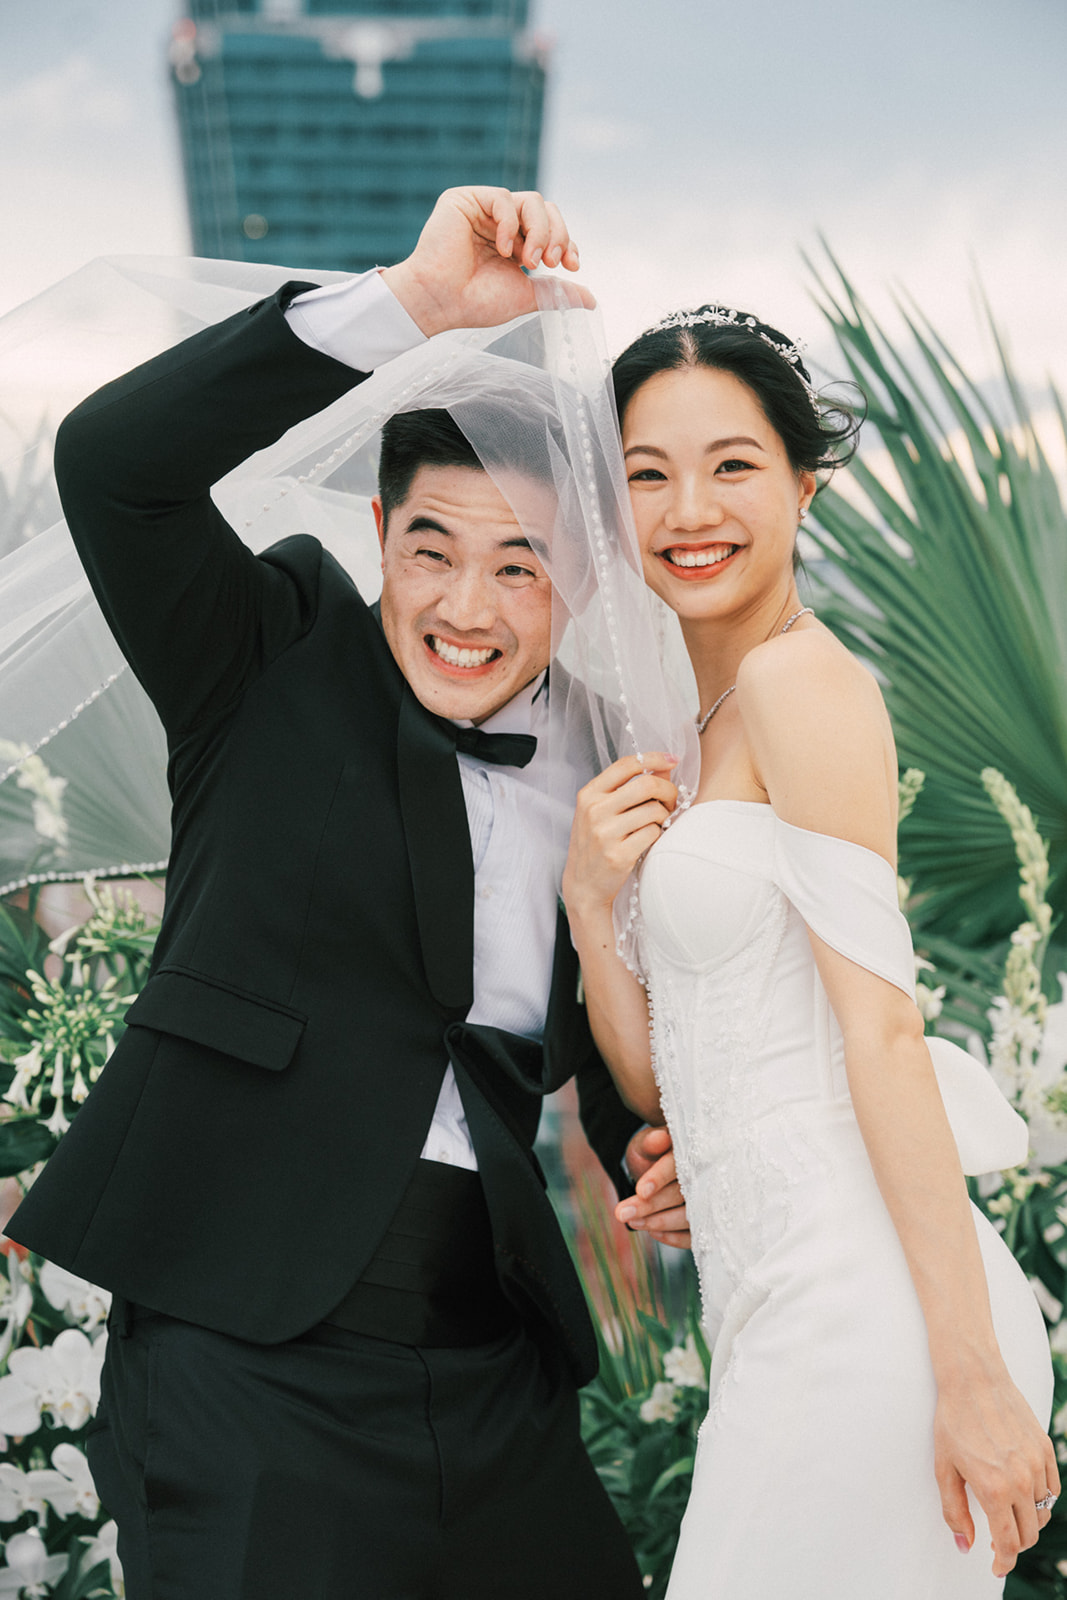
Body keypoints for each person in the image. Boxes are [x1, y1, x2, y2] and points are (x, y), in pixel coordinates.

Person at [6, 188, 687, 1600]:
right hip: (239, 1347)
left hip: (492, 1356)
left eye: (521, 566)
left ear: (580, 577)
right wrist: (413, 305)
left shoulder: (625, 763)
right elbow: (115, 465)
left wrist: (658, 1152)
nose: (467, 608)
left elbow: (608, 1043)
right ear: (380, 529)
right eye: (433, 549)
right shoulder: (263, 653)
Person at [561, 304, 1058, 1596]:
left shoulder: (802, 683)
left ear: (805, 487)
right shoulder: (690, 725)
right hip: (769, 1303)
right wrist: (589, 904)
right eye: (648, 474)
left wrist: (971, 1375)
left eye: (731, 465)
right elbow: (667, 1084)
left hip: (872, 1313)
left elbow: (883, 1029)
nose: (689, 511)